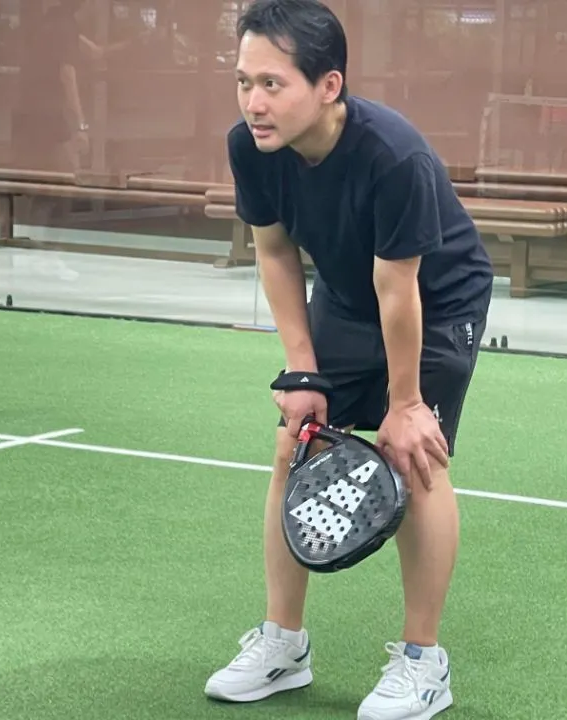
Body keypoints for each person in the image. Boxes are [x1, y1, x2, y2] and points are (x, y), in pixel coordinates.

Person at [204, 1, 494, 718]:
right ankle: (283, 644)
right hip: (345, 293)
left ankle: (424, 663)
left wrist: (405, 404)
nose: (253, 103)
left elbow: (399, 289)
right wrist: (301, 371)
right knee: (294, 445)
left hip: (436, 301)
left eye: (272, 84)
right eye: (244, 82)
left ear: (328, 85)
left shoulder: (392, 156)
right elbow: (275, 252)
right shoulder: (251, 146)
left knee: (414, 457)